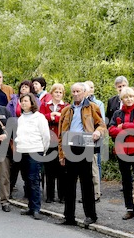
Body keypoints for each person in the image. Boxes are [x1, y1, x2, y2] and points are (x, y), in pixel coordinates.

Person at [57, 82, 106, 226]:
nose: (76, 94)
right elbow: (61, 134)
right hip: (70, 147)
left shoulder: (92, 108)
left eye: (78, 91)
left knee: (86, 182)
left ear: (85, 92)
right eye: (73, 91)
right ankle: (69, 217)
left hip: (85, 146)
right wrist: (61, 154)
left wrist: (98, 131)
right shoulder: (66, 110)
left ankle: (91, 215)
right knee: (69, 184)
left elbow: (102, 125)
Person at [109, 87, 134, 220]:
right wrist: (129, 127)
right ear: (122, 99)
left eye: (131, 96)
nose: (129, 99)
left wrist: (123, 126)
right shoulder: (117, 113)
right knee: (126, 181)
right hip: (122, 150)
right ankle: (129, 208)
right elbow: (111, 130)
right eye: (126, 97)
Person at [14, 93, 50, 219]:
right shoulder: (21, 118)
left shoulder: (39, 117)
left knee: (34, 179)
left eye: (26, 101)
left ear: (32, 103)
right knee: (26, 179)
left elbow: (46, 136)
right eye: (21, 101)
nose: (23, 103)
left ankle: (36, 208)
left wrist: (42, 150)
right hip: (22, 151)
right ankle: (30, 206)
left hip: (35, 150)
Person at [39, 83, 68, 203]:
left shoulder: (66, 106)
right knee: (49, 170)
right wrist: (50, 116)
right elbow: (40, 119)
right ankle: (49, 196)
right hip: (49, 140)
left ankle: (62, 196)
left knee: (61, 170)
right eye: (56, 92)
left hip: (61, 141)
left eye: (60, 92)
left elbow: (66, 120)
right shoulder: (45, 105)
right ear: (51, 93)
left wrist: (54, 117)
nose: (58, 94)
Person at [8, 79, 38, 195]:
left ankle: (28, 191)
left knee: (27, 168)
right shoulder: (13, 100)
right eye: (22, 86)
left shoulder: (36, 102)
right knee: (14, 165)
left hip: (30, 139)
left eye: (26, 86)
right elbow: (8, 115)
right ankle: (8, 190)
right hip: (15, 134)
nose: (23, 88)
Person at [85, 80, 105, 202]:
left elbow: (100, 122)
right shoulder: (76, 105)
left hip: (93, 136)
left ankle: (96, 193)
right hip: (81, 138)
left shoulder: (96, 104)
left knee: (94, 166)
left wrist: (97, 132)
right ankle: (87, 193)